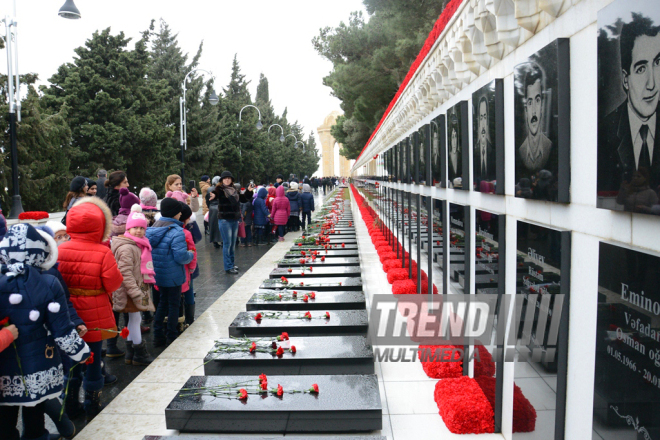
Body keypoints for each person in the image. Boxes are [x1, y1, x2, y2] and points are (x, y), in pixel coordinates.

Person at [0, 224, 91, 440]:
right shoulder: (48, 282)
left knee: (5, 414)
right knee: (35, 406)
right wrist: (81, 352)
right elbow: (61, 328)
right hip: (39, 361)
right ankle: (36, 435)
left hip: (4, 363)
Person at [56, 196, 123, 422]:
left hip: (67, 316)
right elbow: (113, 283)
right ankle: (92, 404)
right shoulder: (102, 252)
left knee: (71, 360)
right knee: (93, 360)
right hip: (94, 315)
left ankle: (71, 406)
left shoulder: (60, 250)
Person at [599, 16, 660, 196]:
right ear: (626, 80)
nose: (652, 84)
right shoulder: (605, 132)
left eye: (658, 63)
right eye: (641, 69)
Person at [111, 206, 156, 367]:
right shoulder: (128, 247)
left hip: (134, 289)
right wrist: (136, 292)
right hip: (130, 291)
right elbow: (124, 273)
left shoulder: (137, 244)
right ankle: (139, 353)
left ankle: (130, 353)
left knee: (133, 320)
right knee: (135, 320)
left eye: (141, 228)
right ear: (128, 228)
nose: (138, 231)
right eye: (135, 227)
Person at [146, 198, 193, 346]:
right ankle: (172, 335)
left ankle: (157, 335)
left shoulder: (153, 228)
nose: (180, 214)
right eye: (178, 212)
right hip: (173, 276)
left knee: (162, 304)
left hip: (158, 274)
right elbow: (180, 256)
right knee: (174, 304)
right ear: (174, 214)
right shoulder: (177, 231)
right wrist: (190, 254)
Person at [518, 64, 552, 173]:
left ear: (542, 106)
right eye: (529, 102)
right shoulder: (521, 150)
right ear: (526, 109)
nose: (533, 111)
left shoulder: (549, 146)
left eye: (537, 101)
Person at [209, 171, 241, 274]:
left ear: (231, 180)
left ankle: (231, 264)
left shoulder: (234, 190)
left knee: (232, 244)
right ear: (222, 180)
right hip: (224, 220)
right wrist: (213, 195)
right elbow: (215, 193)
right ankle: (228, 267)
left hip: (234, 219)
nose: (227, 180)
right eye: (225, 178)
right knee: (227, 244)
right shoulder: (219, 189)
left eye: (229, 178)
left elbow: (242, 200)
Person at [178, 203, 197, 328]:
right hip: (184, 270)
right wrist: (192, 268)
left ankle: (178, 320)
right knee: (188, 291)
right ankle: (189, 319)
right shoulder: (185, 232)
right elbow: (192, 252)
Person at [474, 96, 496, 184]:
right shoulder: (475, 153)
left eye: (485, 117)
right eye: (481, 118)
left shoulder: (493, 151)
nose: (483, 123)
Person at [206, 176, 222, 248]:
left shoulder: (209, 189)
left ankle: (214, 241)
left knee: (213, 225)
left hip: (212, 208)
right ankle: (222, 240)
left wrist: (210, 206)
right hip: (220, 208)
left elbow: (207, 200)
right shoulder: (221, 189)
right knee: (221, 225)